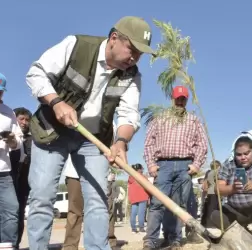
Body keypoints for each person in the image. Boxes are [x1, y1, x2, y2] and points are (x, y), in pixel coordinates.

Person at [25, 16, 155, 249]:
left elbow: (129, 114)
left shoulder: (132, 75)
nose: (135, 57)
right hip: (51, 132)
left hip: (93, 140)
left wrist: (121, 142)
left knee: (97, 200)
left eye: (140, 53)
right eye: (132, 49)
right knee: (42, 197)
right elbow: (36, 74)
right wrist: (55, 102)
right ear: (114, 38)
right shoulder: (76, 45)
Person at [143, 85, 208, 250]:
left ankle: (174, 239)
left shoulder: (193, 120)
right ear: (172, 99)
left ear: (186, 100)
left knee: (179, 205)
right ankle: (150, 240)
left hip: (184, 166)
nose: (179, 101)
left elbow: (202, 144)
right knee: (157, 203)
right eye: (177, 98)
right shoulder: (160, 117)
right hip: (162, 165)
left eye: (183, 99)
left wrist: (196, 164)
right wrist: (151, 164)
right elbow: (149, 142)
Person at [211, 136, 252, 250]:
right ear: (235, 154)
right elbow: (218, 189)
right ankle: (244, 233)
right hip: (236, 211)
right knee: (215, 215)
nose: (243, 157)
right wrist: (232, 189)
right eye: (239, 154)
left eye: (246, 153)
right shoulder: (227, 166)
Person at [0, 73, 23, 248]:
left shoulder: (9, 113)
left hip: (4, 172)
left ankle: (7, 246)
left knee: (11, 209)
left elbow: (18, 140)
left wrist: (13, 141)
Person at [9, 107, 32, 249]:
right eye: (21, 119)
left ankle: (15, 244)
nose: (24, 122)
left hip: (23, 182)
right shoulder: (7, 136)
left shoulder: (31, 139)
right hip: (8, 180)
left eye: (27, 120)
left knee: (19, 212)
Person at [63, 156, 84, 250]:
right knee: (74, 211)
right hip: (74, 173)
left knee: (98, 209)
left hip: (98, 172)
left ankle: (100, 244)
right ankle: (70, 246)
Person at [128, 163, 149, 233]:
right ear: (139, 169)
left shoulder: (130, 178)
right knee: (141, 213)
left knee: (133, 213)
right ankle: (141, 228)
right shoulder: (143, 177)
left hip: (134, 198)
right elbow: (148, 186)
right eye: (142, 168)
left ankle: (133, 228)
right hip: (143, 197)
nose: (143, 169)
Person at [201, 160, 221, 227]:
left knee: (208, 207)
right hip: (214, 191)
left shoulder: (208, 172)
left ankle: (205, 223)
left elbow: (205, 182)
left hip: (209, 192)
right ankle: (211, 224)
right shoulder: (217, 172)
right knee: (213, 208)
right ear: (218, 166)